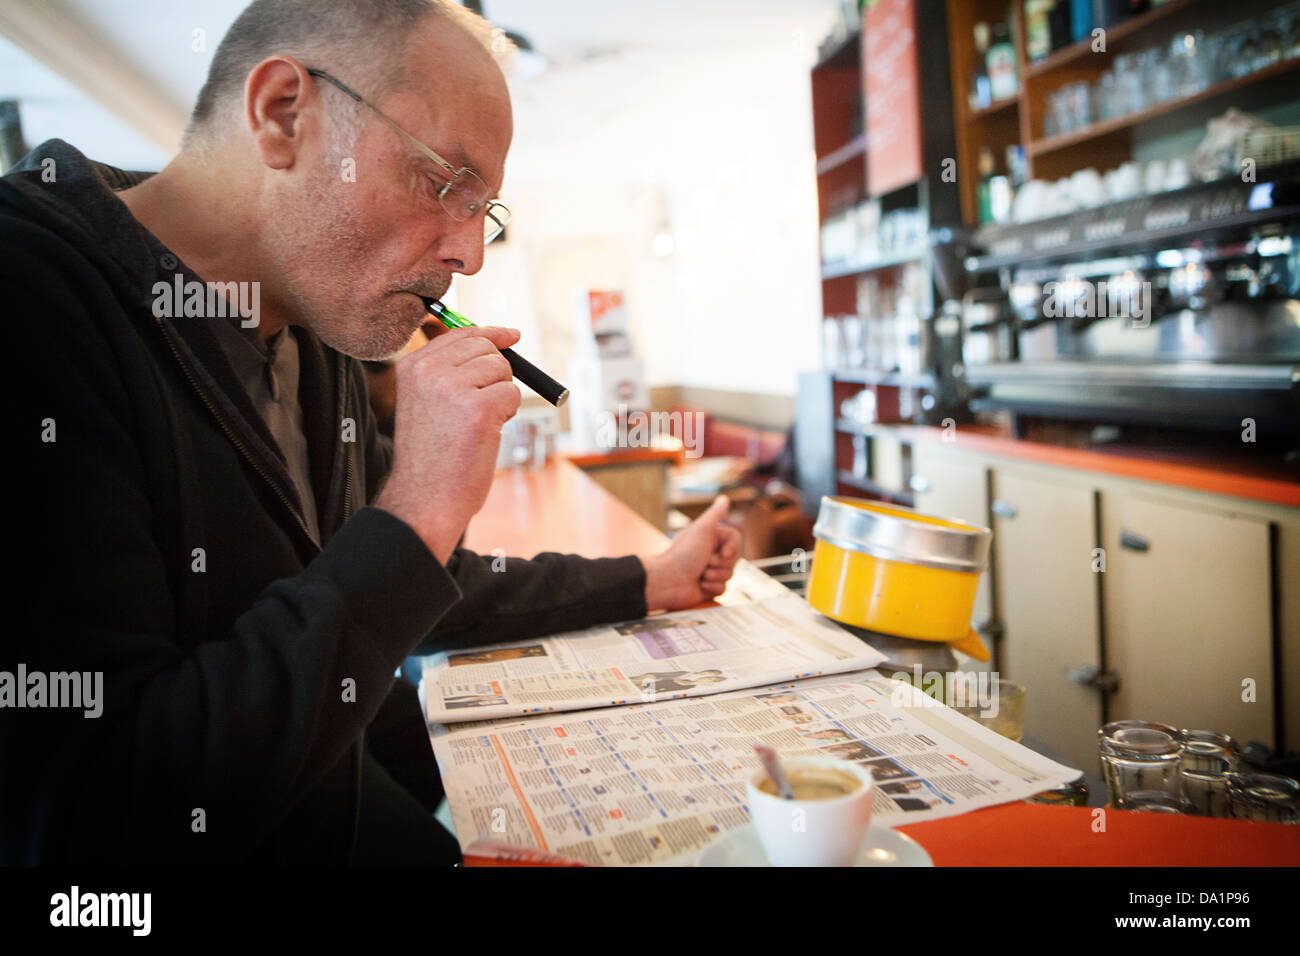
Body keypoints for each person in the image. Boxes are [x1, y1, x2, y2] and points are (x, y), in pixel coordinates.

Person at [0, 0, 740, 865]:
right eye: (444, 184)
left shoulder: (318, 325)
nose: (471, 255)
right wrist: (421, 503)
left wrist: (642, 581)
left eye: (484, 212)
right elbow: (90, 812)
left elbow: (392, 588)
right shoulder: (30, 304)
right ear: (283, 113)